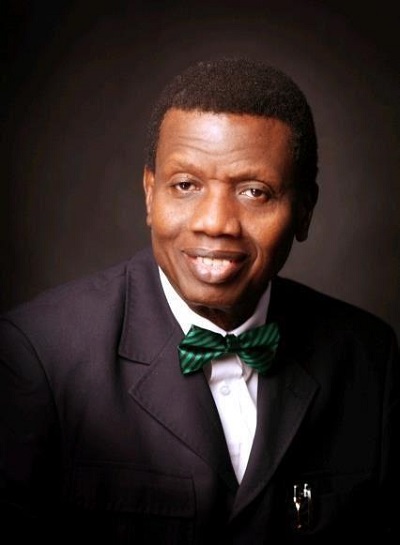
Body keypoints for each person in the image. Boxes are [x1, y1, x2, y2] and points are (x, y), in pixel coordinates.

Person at [0, 57, 399, 545]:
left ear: (304, 211)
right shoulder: (37, 356)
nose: (215, 223)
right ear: (150, 194)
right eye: (186, 185)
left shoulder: (370, 359)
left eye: (254, 192)